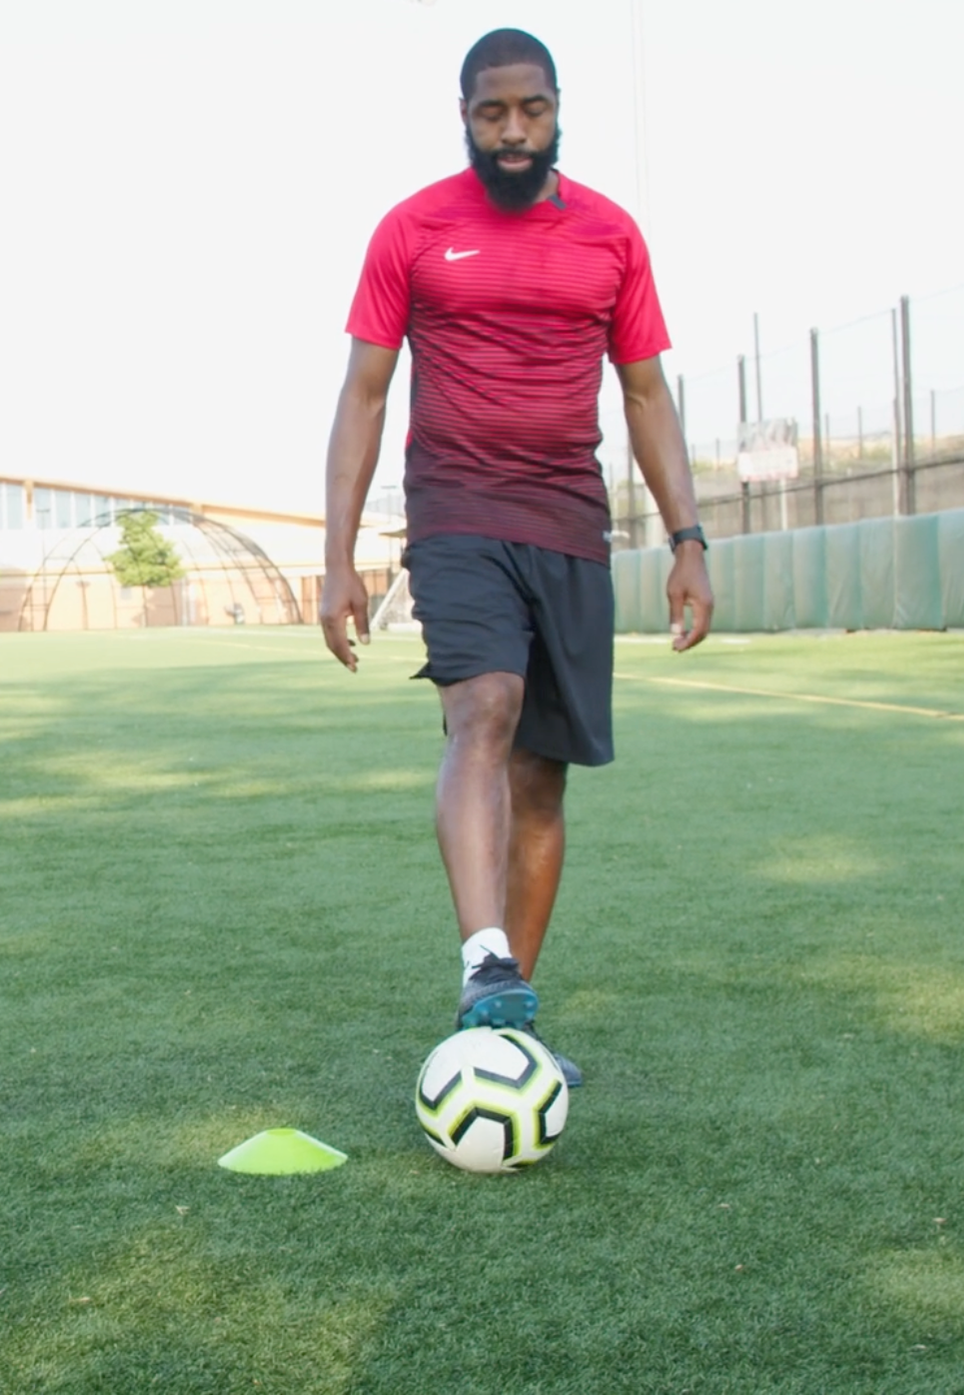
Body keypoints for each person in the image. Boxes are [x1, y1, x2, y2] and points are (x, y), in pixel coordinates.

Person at [321, 28, 713, 1088]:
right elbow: (362, 396)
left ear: (554, 110)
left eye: (530, 110)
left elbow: (644, 395)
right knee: (482, 709)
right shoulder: (411, 230)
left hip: (571, 523)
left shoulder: (611, 236)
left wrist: (688, 539)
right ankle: (483, 960)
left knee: (542, 782)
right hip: (455, 511)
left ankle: (506, 1022)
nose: (512, 131)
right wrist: (338, 556)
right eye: (492, 113)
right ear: (465, 116)